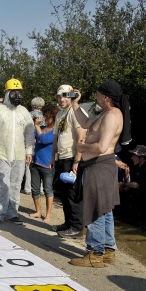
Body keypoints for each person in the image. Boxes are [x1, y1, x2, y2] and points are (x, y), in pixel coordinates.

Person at [68, 80, 126, 268]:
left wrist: (82, 147)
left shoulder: (112, 116)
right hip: (99, 166)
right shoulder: (106, 113)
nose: (95, 96)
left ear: (106, 97)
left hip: (99, 166)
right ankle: (108, 250)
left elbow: (101, 147)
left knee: (95, 208)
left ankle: (95, 253)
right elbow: (85, 122)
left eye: (98, 93)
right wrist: (75, 103)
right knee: (105, 208)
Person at [0, 78, 34, 226]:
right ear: (7, 94)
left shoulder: (24, 112)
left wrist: (29, 151)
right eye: (13, 93)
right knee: (1, 185)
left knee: (15, 185)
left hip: (19, 155)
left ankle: (13, 213)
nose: (17, 96)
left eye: (19, 93)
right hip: (2, 153)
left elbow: (29, 133)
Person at [50, 84, 88, 238]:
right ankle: (68, 223)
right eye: (59, 96)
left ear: (72, 96)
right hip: (62, 157)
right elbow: (56, 137)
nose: (62, 99)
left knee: (73, 194)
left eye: (65, 96)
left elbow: (82, 137)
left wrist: (77, 161)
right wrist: (53, 157)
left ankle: (77, 227)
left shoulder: (76, 112)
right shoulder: (60, 113)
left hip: (72, 157)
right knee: (64, 193)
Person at [29, 105, 58, 223]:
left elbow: (45, 140)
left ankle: (48, 215)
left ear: (54, 117)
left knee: (48, 190)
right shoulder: (41, 128)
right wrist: (33, 123)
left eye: (48, 116)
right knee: (35, 189)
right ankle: (38, 211)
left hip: (47, 165)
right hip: (35, 162)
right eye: (44, 115)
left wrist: (36, 126)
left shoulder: (55, 131)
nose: (45, 118)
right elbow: (31, 136)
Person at [22, 97, 45, 194]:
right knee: (41, 165)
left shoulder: (27, 115)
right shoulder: (44, 116)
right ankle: (41, 188)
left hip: (29, 141)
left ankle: (27, 188)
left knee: (28, 165)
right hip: (41, 142)